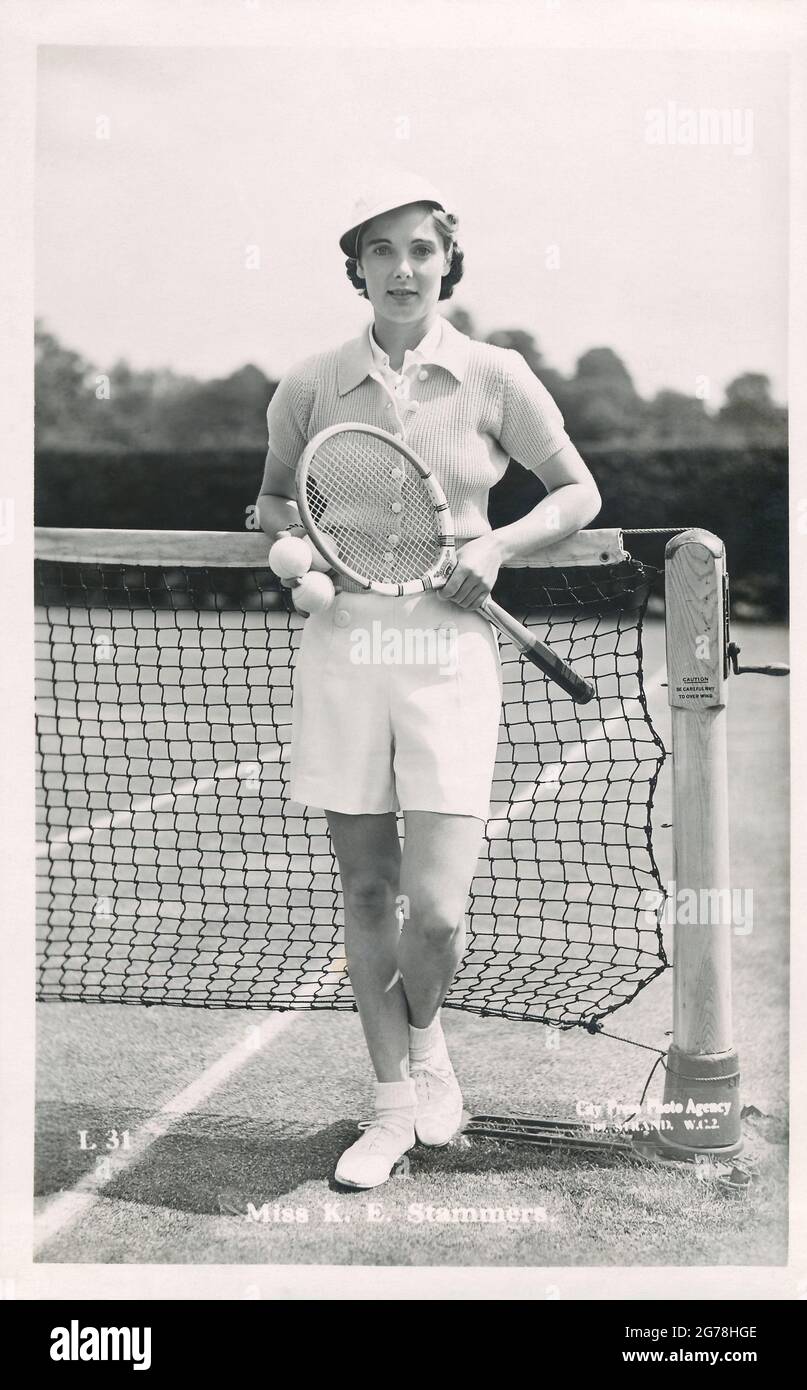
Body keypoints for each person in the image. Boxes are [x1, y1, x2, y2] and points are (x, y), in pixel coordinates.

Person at [257, 170, 601, 1189]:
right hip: (344, 651)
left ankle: (429, 1033)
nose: (403, 268)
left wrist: (495, 545)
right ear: (356, 268)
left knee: (437, 913)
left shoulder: (496, 373)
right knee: (368, 888)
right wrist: (298, 562)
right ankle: (393, 1103)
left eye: (421, 249)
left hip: (450, 656)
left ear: (448, 262)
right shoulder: (311, 382)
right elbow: (275, 503)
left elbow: (579, 491)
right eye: (383, 250)